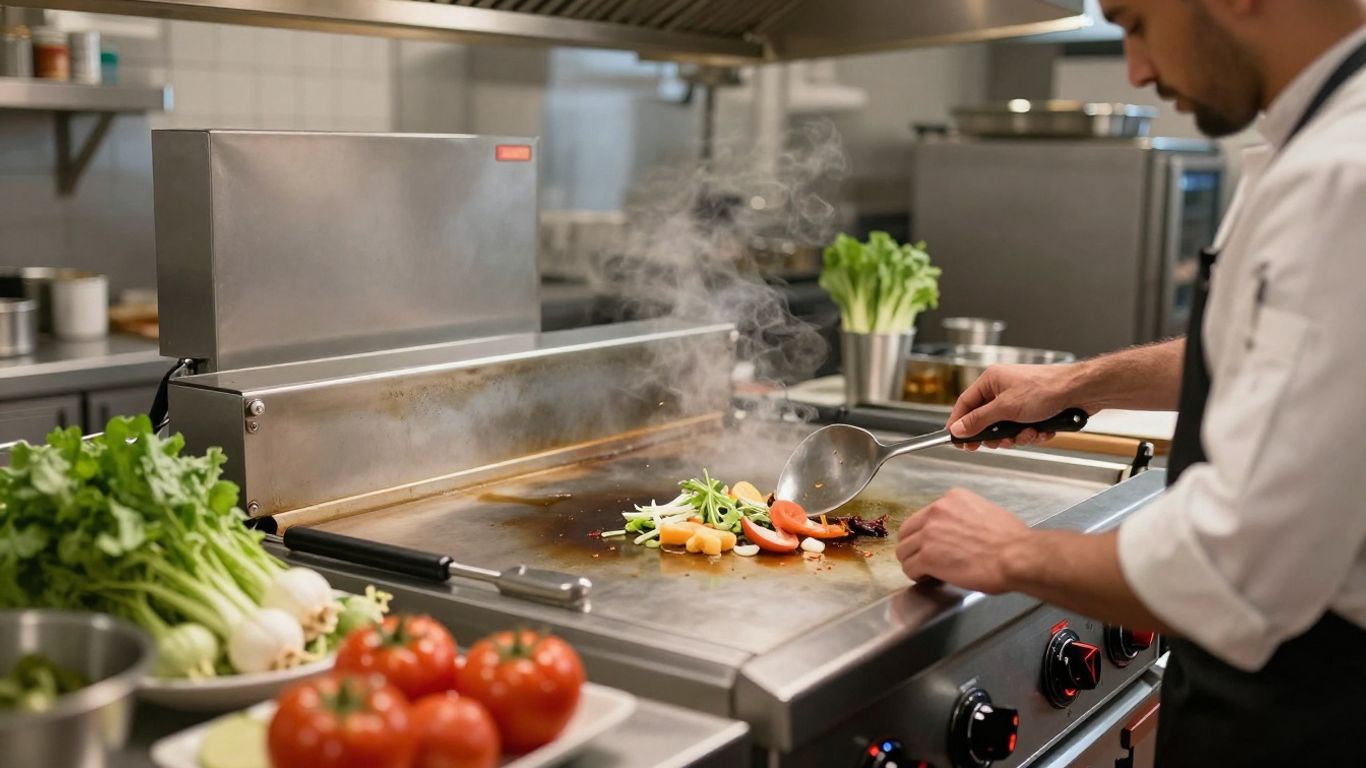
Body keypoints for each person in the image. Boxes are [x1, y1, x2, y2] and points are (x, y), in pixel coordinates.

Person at [893, 0, 1366, 764]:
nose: (1137, 71)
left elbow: (1237, 567)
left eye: (1136, 21)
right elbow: (1263, 350)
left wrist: (1012, 552)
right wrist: (1079, 383)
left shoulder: (1343, 178)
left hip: (1311, 716)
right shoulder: (1313, 140)